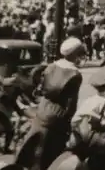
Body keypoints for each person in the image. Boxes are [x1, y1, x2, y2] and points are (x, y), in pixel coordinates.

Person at [15, 37, 84, 170]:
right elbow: (71, 103)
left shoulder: (51, 66)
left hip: (42, 111)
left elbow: (40, 89)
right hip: (57, 117)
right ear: (75, 53)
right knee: (46, 156)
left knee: (31, 149)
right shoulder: (75, 75)